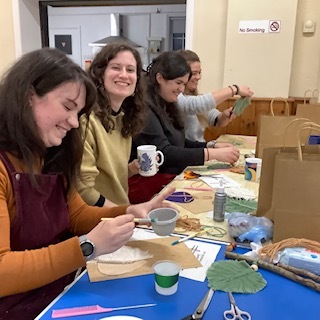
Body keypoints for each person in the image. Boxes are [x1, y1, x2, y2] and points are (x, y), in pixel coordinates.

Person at [0, 47, 174, 319]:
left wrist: (130, 211)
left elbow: (78, 215)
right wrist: (86, 246)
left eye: (78, 114)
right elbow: (2, 271)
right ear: (27, 96)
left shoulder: (49, 155)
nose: (72, 122)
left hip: (58, 290)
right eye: (68, 107)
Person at [129, 51, 240, 203]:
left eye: (184, 83)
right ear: (160, 78)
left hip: (169, 177)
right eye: (178, 83)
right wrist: (211, 154)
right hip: (147, 185)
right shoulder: (145, 108)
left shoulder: (166, 101)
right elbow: (165, 153)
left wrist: (211, 145)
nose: (182, 89)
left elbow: (179, 142)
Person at [76, 42, 146, 207]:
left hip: (118, 212)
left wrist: (130, 169)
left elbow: (109, 179)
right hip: (96, 222)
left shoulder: (123, 119)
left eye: (130, 70)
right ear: (100, 75)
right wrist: (126, 213)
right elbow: (84, 190)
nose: (124, 75)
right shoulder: (85, 121)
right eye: (116, 68)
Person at [177, 50, 254, 142]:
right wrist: (235, 89)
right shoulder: (176, 97)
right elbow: (194, 105)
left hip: (198, 150)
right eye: (194, 73)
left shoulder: (192, 95)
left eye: (199, 73)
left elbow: (216, 120)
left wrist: (224, 116)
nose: (198, 77)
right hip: (189, 153)